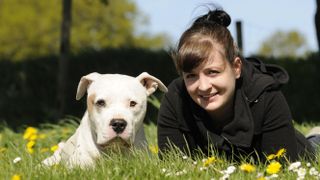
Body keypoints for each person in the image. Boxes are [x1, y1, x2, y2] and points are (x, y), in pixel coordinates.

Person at [157, 8, 316, 162]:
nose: (203, 86)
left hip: (301, 150)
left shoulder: (267, 97)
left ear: (236, 68)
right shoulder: (175, 98)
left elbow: (282, 169)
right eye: (191, 76)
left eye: (212, 72)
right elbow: (172, 166)